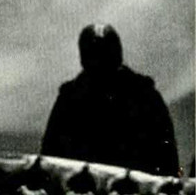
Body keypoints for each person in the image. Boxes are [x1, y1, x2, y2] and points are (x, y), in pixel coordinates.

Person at [41, 24, 179, 176]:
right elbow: (51, 156)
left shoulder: (144, 95)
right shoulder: (69, 98)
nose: (100, 61)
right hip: (83, 184)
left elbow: (166, 155)